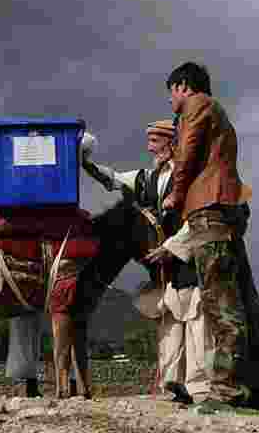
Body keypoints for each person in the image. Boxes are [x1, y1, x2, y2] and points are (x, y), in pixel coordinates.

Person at [144, 62, 259, 413]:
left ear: (183, 86)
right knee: (247, 305)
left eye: (171, 91)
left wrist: (176, 192)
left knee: (222, 303)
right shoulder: (216, 111)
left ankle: (227, 392)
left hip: (207, 210)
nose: (171, 100)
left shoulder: (197, 104)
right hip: (227, 209)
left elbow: (188, 149)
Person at [81, 119, 204, 404]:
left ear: (172, 144)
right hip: (165, 266)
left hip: (188, 258)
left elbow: (197, 220)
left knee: (195, 317)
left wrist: (171, 248)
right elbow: (111, 178)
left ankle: (199, 388)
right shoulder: (146, 178)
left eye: (155, 142)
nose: (150, 148)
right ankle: (174, 383)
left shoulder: (189, 177)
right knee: (169, 318)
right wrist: (85, 163)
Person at [5, 312, 44, 397]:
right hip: (21, 314)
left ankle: (30, 387)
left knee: (31, 351)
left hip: (29, 314)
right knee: (23, 351)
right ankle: (24, 388)